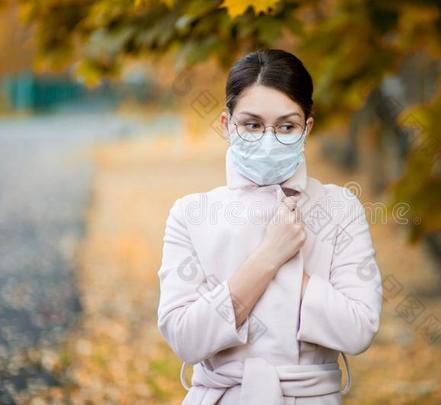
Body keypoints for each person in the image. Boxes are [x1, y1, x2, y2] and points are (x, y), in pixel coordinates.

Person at [157, 48, 383, 405]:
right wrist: (268, 257)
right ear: (226, 125)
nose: (268, 138)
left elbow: (358, 329)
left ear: (306, 128)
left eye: (286, 126)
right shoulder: (191, 213)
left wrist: (291, 272)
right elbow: (185, 338)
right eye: (252, 124)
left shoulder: (340, 208)